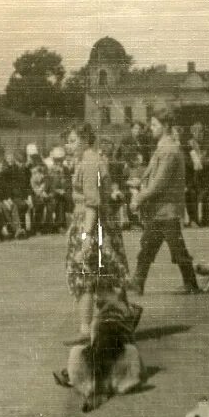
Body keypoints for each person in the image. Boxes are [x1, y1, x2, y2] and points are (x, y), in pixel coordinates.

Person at [64, 123, 132, 337]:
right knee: (98, 279)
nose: (69, 145)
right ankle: (119, 315)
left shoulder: (90, 163)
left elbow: (92, 203)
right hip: (94, 223)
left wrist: (85, 238)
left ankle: (94, 325)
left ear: (85, 140)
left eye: (73, 140)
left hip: (91, 223)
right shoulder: (91, 160)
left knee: (85, 278)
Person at [128, 108, 199, 295]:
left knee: (176, 250)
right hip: (160, 210)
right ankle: (138, 282)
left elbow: (160, 183)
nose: (150, 128)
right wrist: (140, 181)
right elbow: (154, 176)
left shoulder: (168, 149)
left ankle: (190, 283)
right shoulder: (163, 147)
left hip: (167, 209)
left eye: (154, 125)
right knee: (148, 247)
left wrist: (139, 199)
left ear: (165, 126)